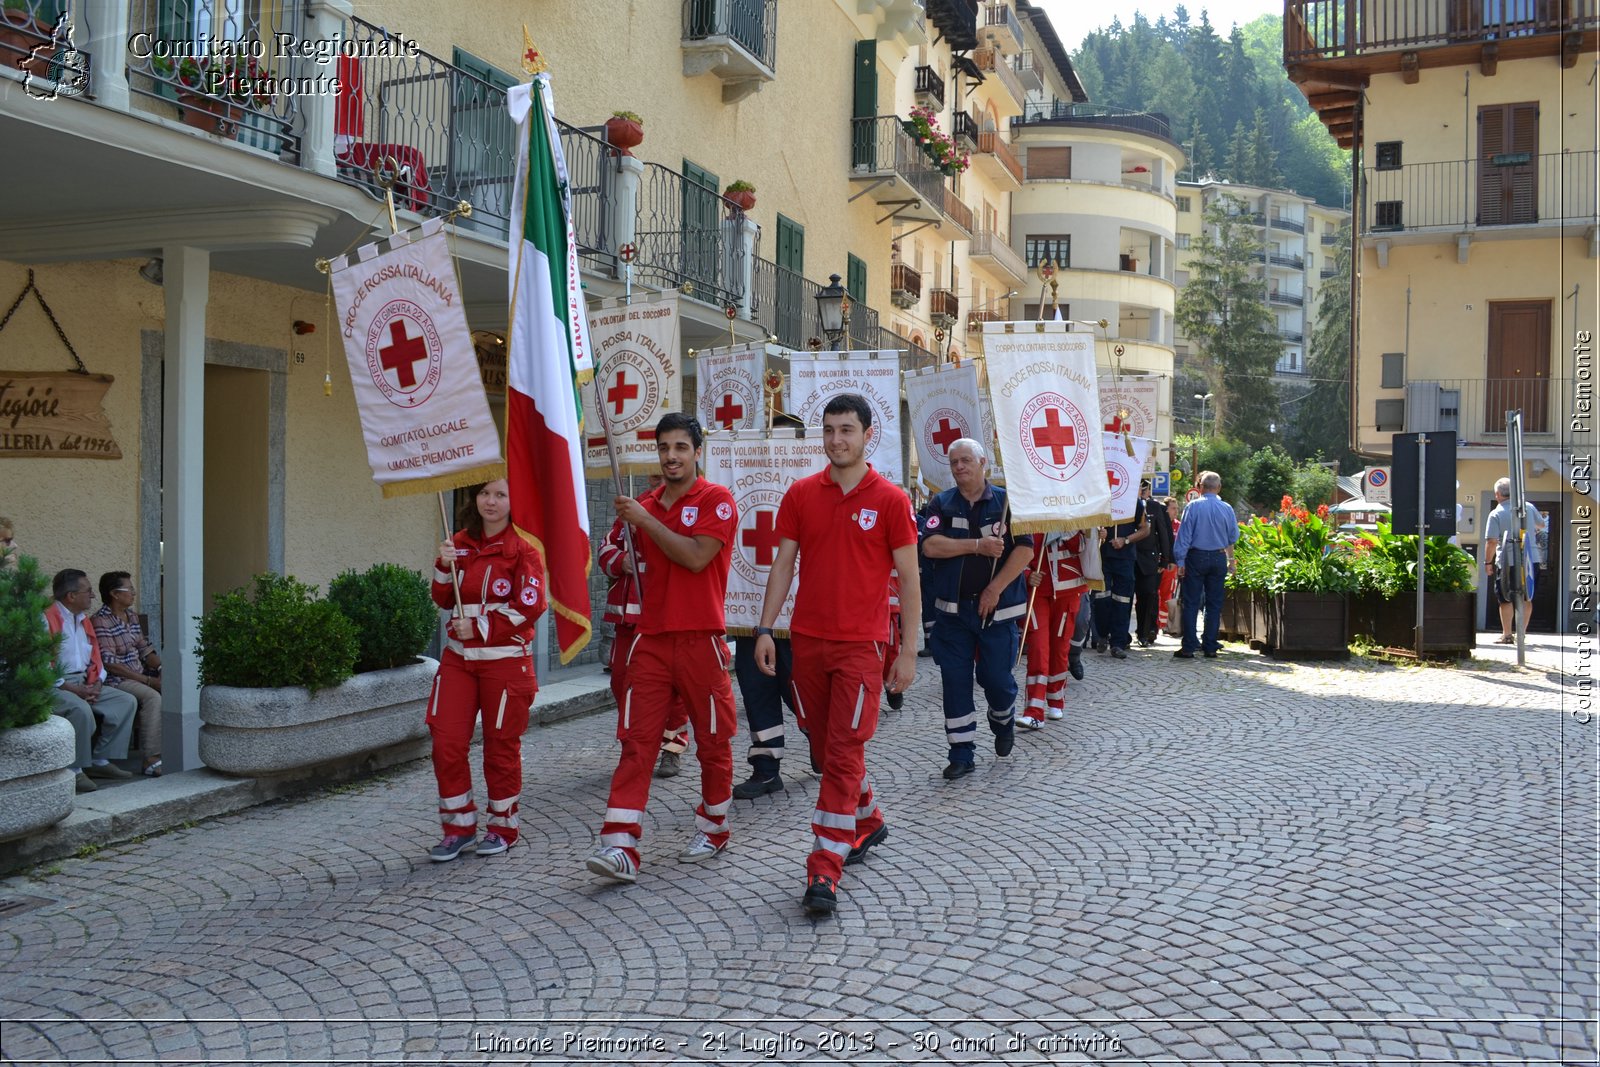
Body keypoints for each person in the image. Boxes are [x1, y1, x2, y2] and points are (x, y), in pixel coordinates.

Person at [754, 393, 920, 917]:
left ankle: (824, 868)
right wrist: (764, 629)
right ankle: (867, 821)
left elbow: (910, 577)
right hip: (805, 643)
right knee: (828, 754)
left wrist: (908, 651)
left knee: (845, 751)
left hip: (860, 648)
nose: (836, 440)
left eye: (846, 430)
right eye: (828, 430)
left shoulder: (891, 500)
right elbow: (782, 566)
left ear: (868, 434)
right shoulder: (801, 494)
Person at [587, 413, 738, 884]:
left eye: (680, 447)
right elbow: (612, 558)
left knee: (713, 742)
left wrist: (646, 521)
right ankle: (620, 845)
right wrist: (630, 531)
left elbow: (695, 558)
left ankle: (714, 826)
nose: (671, 456)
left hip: (700, 638)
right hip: (649, 640)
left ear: (697, 451)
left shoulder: (717, 499)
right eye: (664, 448)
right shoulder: (646, 503)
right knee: (636, 743)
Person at [426, 478, 546, 861]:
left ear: (515, 501)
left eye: (500, 494)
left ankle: (502, 826)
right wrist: (444, 564)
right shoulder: (459, 541)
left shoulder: (524, 549)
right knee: (446, 743)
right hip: (459, 662)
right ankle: (458, 827)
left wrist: (479, 627)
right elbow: (443, 596)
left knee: (500, 749)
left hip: (505, 665)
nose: (490, 501)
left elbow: (531, 605)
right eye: (484, 493)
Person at [920, 438, 1033, 780]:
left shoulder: (1005, 502)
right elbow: (930, 547)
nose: (959, 467)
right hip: (952, 615)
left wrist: (994, 589)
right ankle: (961, 752)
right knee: (954, 682)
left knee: (996, 679)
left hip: (997, 614)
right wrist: (977, 546)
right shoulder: (941, 503)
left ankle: (1002, 719)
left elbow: (1025, 551)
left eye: (966, 460)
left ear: (983, 463)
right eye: (954, 462)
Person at [597, 475, 692, 779]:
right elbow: (605, 547)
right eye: (650, 468)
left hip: (662, 615)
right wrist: (621, 560)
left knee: (672, 687)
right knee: (622, 682)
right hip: (627, 620)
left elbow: (684, 554)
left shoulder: (684, 508)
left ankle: (672, 747)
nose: (655, 475)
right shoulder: (632, 506)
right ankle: (633, 746)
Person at [45, 570, 138, 793]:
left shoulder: (83, 620)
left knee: (125, 701)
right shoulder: (46, 618)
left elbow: (95, 656)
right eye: (88, 591)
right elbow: (40, 665)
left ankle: (100, 761)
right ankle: (74, 771)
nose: (93, 596)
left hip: (84, 682)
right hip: (54, 684)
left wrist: (96, 684)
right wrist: (72, 688)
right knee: (80, 710)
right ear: (71, 596)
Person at [91, 571, 163, 776]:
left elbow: (145, 648)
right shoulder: (100, 621)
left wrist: (161, 670)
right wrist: (149, 681)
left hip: (140, 675)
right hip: (117, 680)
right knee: (152, 697)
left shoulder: (131, 616)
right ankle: (151, 758)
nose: (133, 593)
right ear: (114, 594)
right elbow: (110, 664)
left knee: (176, 687)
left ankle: (175, 749)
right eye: (129, 589)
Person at [1020, 530, 1087, 729]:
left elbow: (1081, 547)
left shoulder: (1072, 510)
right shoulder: (1026, 508)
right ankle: (1034, 710)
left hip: (1067, 589)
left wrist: (1067, 528)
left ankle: (1056, 699)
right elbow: (1014, 547)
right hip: (1037, 590)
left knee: (1059, 648)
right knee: (1039, 648)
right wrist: (1026, 574)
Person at [1173, 472, 1239, 659]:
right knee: (1214, 603)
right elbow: (1233, 536)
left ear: (1200, 487)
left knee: (1191, 602)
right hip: (1218, 558)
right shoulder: (1226, 508)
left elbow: (1183, 536)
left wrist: (1180, 560)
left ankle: (1188, 646)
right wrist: (1230, 560)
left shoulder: (1193, 507)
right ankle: (1210, 645)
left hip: (1196, 557)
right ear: (1218, 488)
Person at [1483, 477, 1549, 643]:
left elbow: (1491, 541)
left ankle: (1507, 635)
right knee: (1527, 596)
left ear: (1497, 494)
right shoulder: (1528, 507)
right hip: (1530, 559)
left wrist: (1487, 562)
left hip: (1507, 562)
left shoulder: (1496, 513)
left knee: (1505, 598)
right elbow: (1541, 525)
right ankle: (1522, 634)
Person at [729, 632, 794, 798]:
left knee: (801, 690)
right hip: (749, 622)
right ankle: (766, 769)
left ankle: (819, 740)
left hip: (793, 621)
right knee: (757, 691)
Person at [1093, 490, 1151, 658]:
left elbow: (1145, 529)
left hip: (1124, 558)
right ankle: (1103, 634)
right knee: (1101, 599)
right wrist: (1098, 532)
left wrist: (1125, 540)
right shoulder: (1099, 496)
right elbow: (1087, 524)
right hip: (1102, 556)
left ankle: (1118, 643)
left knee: (1123, 600)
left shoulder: (1134, 502)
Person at [1134, 481, 1176, 646]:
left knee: (1149, 595)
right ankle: (1121, 635)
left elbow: (1164, 533)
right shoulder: (1125, 505)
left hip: (1149, 557)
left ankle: (1144, 632)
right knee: (1125, 598)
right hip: (1128, 556)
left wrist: (1166, 559)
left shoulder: (1154, 506)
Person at [1157, 498, 1182, 633]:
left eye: (1177, 508)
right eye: (1173, 508)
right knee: (1155, 594)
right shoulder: (1160, 524)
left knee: (1167, 596)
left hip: (1172, 568)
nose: (1176, 511)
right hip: (1158, 565)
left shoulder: (1179, 526)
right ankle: (1155, 624)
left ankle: (1163, 624)